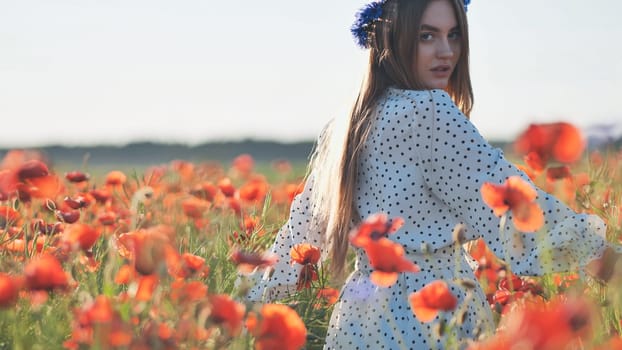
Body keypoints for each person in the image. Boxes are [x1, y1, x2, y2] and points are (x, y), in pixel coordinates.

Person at [245, 0, 621, 348]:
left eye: (453, 34)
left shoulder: (347, 125)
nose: (446, 51)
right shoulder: (429, 112)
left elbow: (298, 238)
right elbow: (514, 206)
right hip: (431, 317)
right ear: (393, 38)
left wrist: (244, 307)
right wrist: (608, 261)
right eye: (427, 36)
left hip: (358, 320)